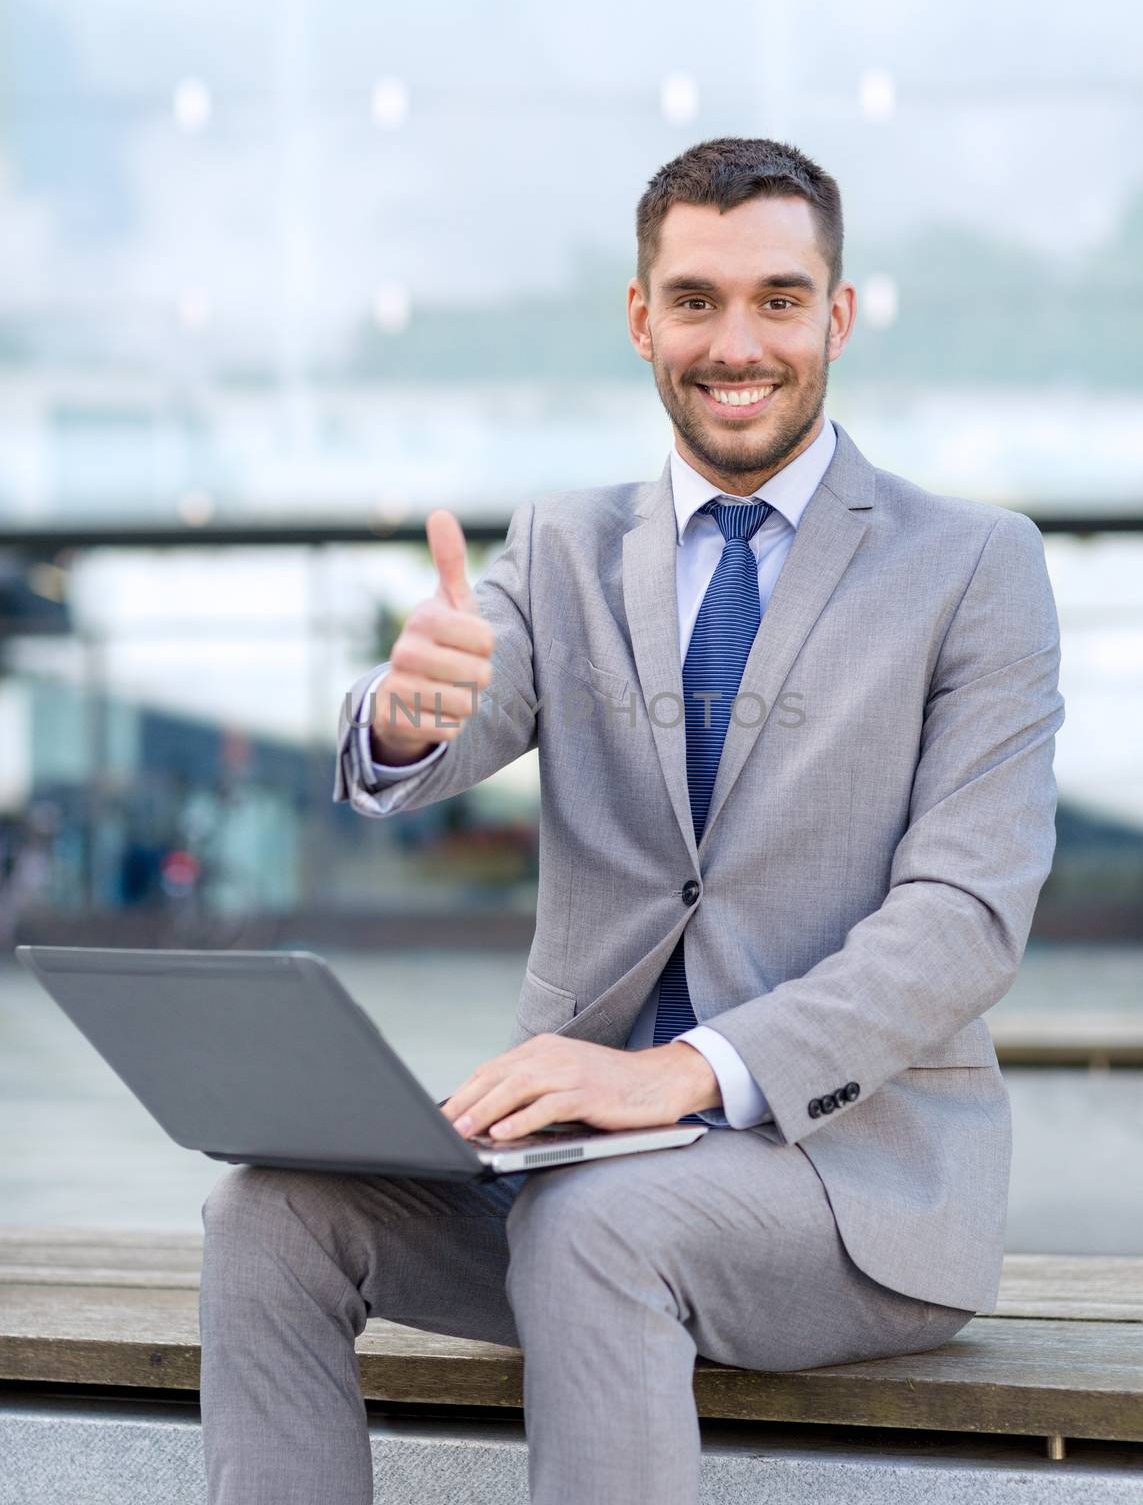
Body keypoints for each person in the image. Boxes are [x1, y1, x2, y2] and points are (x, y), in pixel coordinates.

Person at [198, 137, 1065, 1505]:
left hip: (853, 1197)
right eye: (697, 299)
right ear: (639, 316)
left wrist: (690, 1072)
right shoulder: (561, 547)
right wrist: (409, 713)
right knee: (270, 1212)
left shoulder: (973, 568)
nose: (738, 341)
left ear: (835, 316)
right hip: (574, 1173)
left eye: (779, 298)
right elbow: (452, 704)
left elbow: (964, 923)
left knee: (602, 1223)